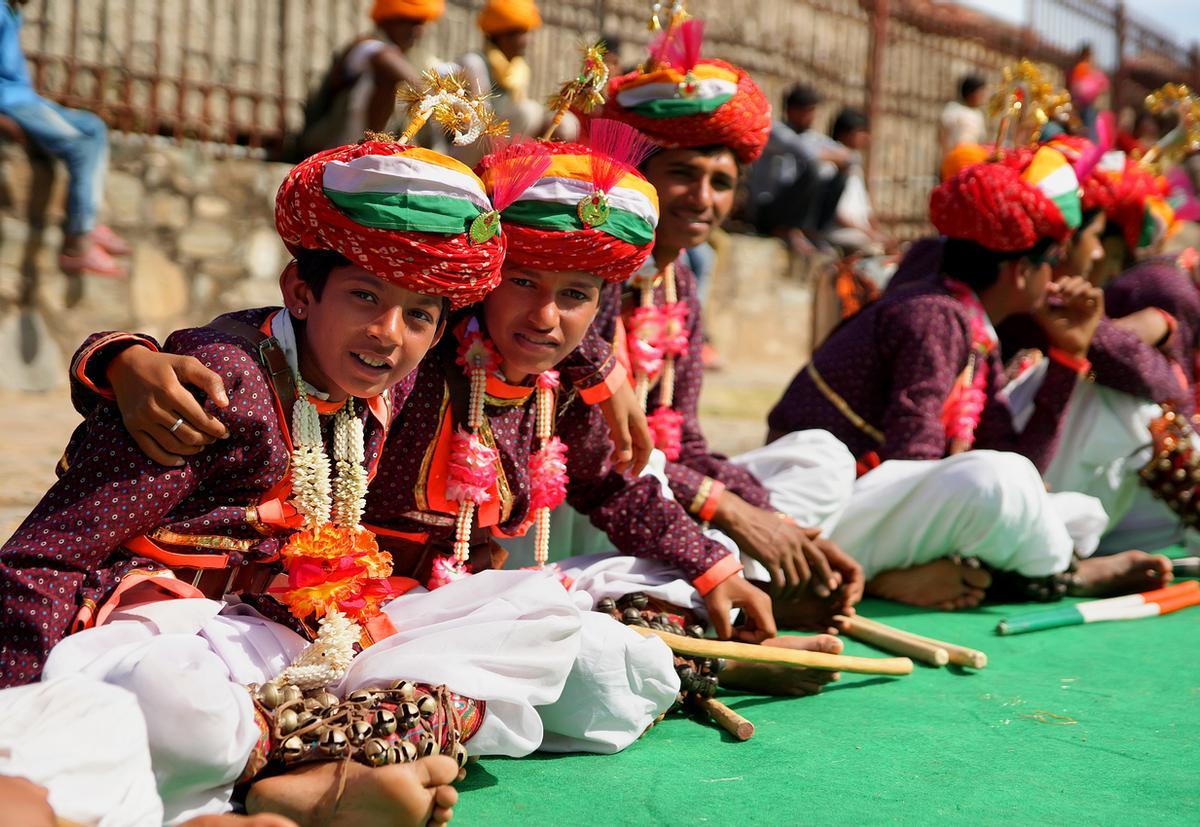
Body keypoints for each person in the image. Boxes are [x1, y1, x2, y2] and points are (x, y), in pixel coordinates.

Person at [0, 139, 584, 825]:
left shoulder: (390, 374)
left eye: (419, 314)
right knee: (177, 704)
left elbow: (547, 312)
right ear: (300, 292)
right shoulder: (216, 383)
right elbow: (47, 552)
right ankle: (334, 758)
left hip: (276, 629)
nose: (389, 333)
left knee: (546, 612)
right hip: (153, 635)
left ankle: (313, 751)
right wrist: (18, 697)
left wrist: (608, 371)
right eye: (365, 295)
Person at [536, 20, 866, 633]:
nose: (703, 199)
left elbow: (682, 438)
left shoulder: (680, 281)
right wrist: (729, 512)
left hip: (650, 490)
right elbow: (598, 455)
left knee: (821, 460)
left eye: (721, 183)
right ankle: (707, 592)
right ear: (640, 174)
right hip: (574, 492)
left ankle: (741, 579)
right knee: (659, 478)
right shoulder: (590, 272)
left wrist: (772, 520)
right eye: (684, 175)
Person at [767, 147, 1173, 609]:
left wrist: (1069, 356)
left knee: (1072, 510)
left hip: (879, 506)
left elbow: (1021, 460)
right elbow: (911, 465)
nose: (1059, 272)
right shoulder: (934, 316)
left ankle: (1020, 571)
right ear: (1021, 272)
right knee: (998, 482)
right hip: (822, 514)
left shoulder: (973, 327)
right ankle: (1056, 576)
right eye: (1050, 260)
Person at [0, 0, 130, 277]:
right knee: (80, 146)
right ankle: (78, 242)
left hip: (27, 100)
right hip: (11, 104)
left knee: (94, 127)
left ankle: (91, 225)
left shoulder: (11, 12)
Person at [292, 0, 444, 158]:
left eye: (420, 23)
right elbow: (385, 59)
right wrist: (431, 95)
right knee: (387, 79)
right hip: (330, 143)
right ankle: (370, 150)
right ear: (388, 22)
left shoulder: (415, 56)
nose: (418, 31)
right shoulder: (366, 46)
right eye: (409, 23)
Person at [746, 84, 850, 254]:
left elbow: (849, 157)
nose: (813, 117)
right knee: (813, 170)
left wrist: (834, 156)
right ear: (793, 110)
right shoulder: (776, 132)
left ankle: (813, 232)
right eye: (809, 111)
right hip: (768, 209)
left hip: (792, 209)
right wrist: (832, 156)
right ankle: (788, 230)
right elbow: (806, 153)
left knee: (840, 178)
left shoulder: (811, 136)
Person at [822, 107, 893, 255]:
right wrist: (869, 233)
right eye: (862, 132)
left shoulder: (854, 162)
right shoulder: (831, 163)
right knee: (872, 250)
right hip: (838, 230)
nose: (867, 138)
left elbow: (866, 208)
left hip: (859, 230)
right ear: (846, 133)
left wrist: (876, 231)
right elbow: (836, 212)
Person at [939, 74, 987, 158]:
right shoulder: (954, 109)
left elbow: (979, 141)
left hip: (970, 159)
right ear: (970, 92)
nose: (983, 97)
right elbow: (943, 135)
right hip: (954, 158)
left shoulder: (978, 115)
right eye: (980, 93)